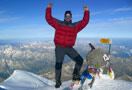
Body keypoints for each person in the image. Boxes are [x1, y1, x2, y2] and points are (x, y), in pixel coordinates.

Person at [45, 3, 90, 88]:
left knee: (79, 60)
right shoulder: (59, 23)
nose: (68, 17)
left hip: (69, 48)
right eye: (66, 16)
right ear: (64, 17)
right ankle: (58, 82)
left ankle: (75, 76)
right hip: (59, 48)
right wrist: (49, 8)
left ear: (71, 17)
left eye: (69, 16)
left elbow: (85, 22)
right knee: (58, 64)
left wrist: (86, 11)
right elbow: (49, 19)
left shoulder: (75, 26)